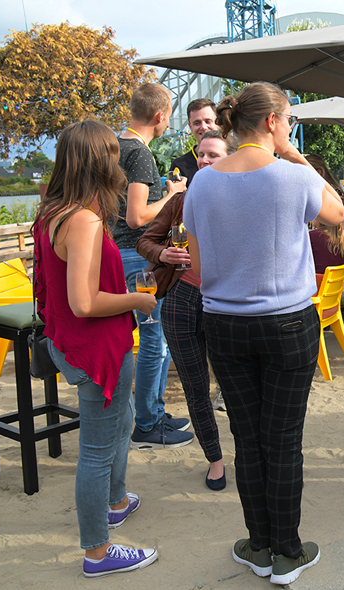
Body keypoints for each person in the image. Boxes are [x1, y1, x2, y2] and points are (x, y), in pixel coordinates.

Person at [184, 82, 344, 586]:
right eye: (289, 119)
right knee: (284, 441)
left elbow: (197, 261)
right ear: (274, 121)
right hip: (286, 322)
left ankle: (258, 543)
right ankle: (287, 551)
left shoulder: (202, 182)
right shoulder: (292, 178)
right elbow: (338, 214)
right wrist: (295, 153)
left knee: (247, 439)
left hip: (224, 323)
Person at [33, 120, 158, 578]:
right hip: (96, 350)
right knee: (96, 451)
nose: (119, 161)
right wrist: (138, 299)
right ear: (97, 161)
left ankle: (117, 500)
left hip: (72, 343)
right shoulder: (84, 220)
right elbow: (84, 302)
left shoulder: (54, 210)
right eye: (111, 153)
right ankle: (97, 552)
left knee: (121, 419)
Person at [136, 130, 238, 492]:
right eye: (201, 155)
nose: (205, 161)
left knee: (235, 385)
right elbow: (144, 239)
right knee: (196, 388)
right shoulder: (181, 200)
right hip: (181, 298)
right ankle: (215, 460)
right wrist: (163, 254)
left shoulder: (242, 197)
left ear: (230, 158)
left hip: (224, 302)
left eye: (213, 155)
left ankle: (248, 454)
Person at [116, 83, 194, 450]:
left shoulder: (110, 146)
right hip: (136, 256)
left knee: (138, 340)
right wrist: (173, 196)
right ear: (161, 116)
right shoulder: (139, 154)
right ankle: (147, 422)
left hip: (114, 253)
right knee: (154, 341)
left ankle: (151, 414)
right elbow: (136, 217)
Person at [307, 154, 344, 282]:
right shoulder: (334, 190)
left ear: (318, 172)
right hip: (339, 239)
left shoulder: (325, 193)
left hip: (315, 293)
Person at [169, 98, 219, 183]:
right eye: (197, 123)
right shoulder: (179, 165)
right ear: (190, 127)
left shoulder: (232, 158)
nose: (203, 127)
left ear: (218, 123)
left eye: (208, 121)